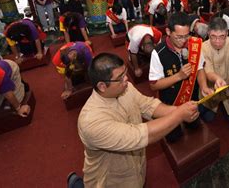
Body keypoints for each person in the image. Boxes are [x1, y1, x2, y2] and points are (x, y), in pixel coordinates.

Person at [76, 53, 199, 187]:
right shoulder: (91, 121)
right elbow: (139, 135)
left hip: (136, 169)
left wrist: (181, 110)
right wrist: (179, 115)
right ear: (102, 86)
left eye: (125, 73)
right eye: (120, 78)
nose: (126, 79)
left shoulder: (125, 88)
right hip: (112, 181)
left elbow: (148, 105)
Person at [149, 12, 207, 142]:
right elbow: (154, 85)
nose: (183, 41)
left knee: (195, 129)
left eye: (186, 36)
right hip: (170, 103)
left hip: (191, 99)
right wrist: (179, 76)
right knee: (174, 138)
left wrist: (203, 86)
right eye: (179, 37)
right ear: (168, 31)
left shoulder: (194, 45)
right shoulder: (158, 53)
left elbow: (200, 68)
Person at [199, 17, 229, 121]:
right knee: (207, 118)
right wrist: (217, 79)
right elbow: (208, 71)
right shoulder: (203, 47)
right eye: (213, 37)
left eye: (222, 37)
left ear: (227, 34)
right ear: (208, 33)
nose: (217, 41)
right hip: (211, 88)